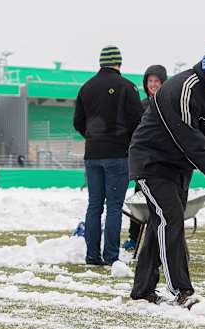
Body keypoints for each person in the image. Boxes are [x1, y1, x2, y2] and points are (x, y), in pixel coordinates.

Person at [128, 42, 205, 308]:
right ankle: (181, 290)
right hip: (152, 161)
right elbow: (188, 137)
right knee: (171, 218)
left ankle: (142, 290)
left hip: (179, 166)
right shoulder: (183, 89)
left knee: (161, 224)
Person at [73, 45, 144, 265]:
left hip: (92, 154)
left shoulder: (86, 87)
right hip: (117, 154)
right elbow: (139, 122)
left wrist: (94, 138)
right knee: (114, 206)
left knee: (94, 205)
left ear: (101, 62)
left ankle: (91, 255)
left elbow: (78, 122)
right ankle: (110, 255)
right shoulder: (127, 87)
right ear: (119, 63)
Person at [123, 64, 168, 252]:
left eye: (157, 81)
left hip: (163, 162)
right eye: (150, 81)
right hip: (143, 162)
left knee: (163, 204)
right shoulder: (141, 106)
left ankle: (161, 238)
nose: (153, 84)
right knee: (139, 200)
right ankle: (133, 237)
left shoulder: (168, 105)